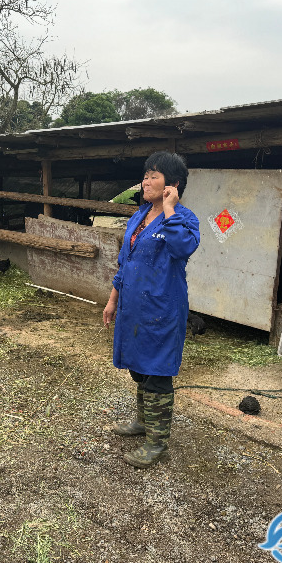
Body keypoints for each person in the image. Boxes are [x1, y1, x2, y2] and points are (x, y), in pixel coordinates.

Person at [102, 151, 200, 469]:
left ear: (173, 184)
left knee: (157, 374)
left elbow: (183, 247)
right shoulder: (139, 215)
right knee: (138, 369)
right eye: (145, 175)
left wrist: (169, 208)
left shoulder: (184, 219)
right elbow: (125, 261)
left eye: (153, 176)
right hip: (133, 308)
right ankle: (143, 423)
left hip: (162, 309)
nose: (145, 181)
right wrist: (113, 299)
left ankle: (157, 442)